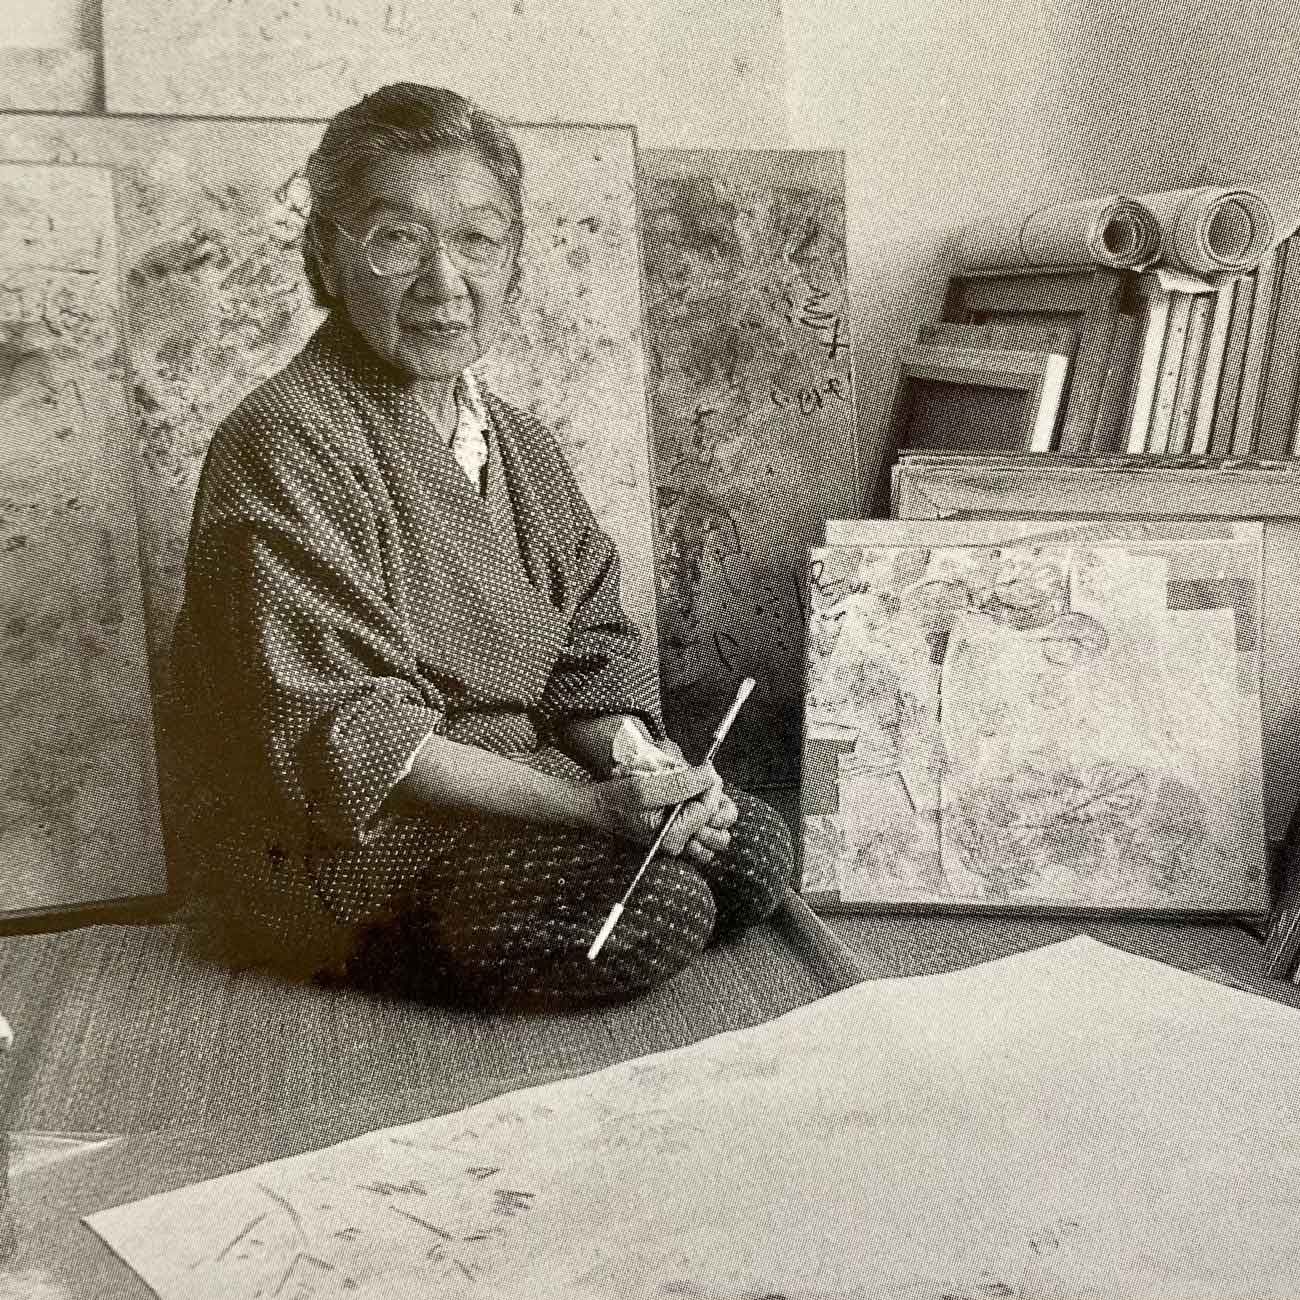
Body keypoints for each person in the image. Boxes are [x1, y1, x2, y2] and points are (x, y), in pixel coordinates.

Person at [168, 83, 794, 1008]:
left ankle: (586, 864)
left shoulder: (522, 443)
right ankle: (343, 943)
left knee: (750, 852)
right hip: (340, 830)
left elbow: (589, 665)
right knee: (658, 910)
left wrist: (643, 772)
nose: (443, 282)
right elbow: (347, 733)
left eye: (477, 239)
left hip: (519, 789)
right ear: (325, 257)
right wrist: (589, 811)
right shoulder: (282, 440)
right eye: (397, 238)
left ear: (514, 259)